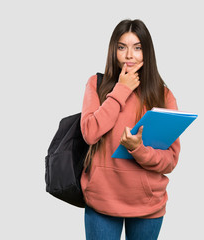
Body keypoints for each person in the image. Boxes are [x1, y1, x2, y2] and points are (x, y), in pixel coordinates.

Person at [80, 19, 181, 240]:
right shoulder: (96, 85)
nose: (129, 56)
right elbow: (89, 133)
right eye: (122, 47)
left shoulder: (163, 96)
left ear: (147, 52)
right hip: (102, 200)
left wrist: (139, 149)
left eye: (137, 48)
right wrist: (121, 90)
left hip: (147, 204)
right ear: (113, 50)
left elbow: (170, 160)